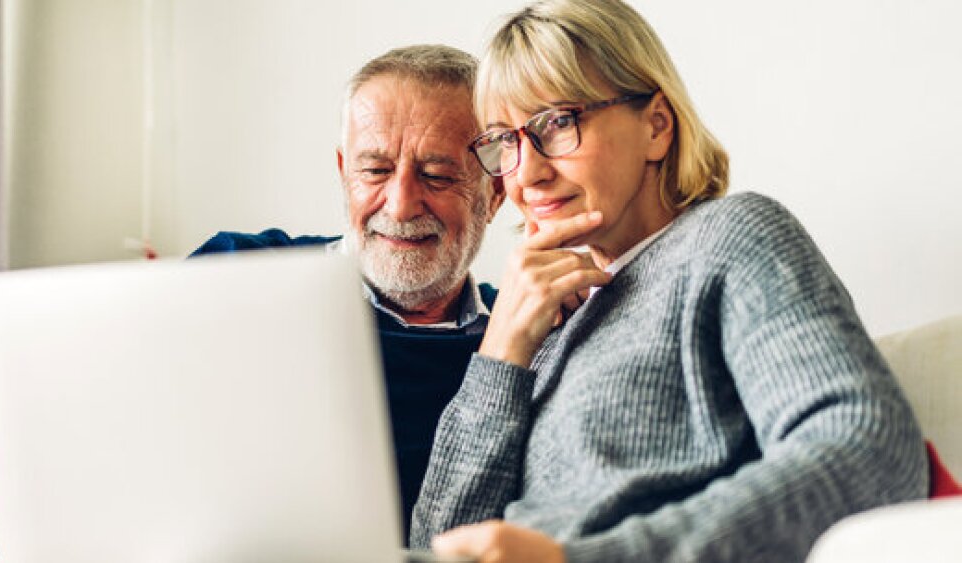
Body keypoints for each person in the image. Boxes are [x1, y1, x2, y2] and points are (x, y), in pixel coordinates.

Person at [409, 1, 928, 561]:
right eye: (504, 142)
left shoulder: (730, 237)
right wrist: (502, 352)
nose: (527, 172)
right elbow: (437, 543)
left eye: (558, 123)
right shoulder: (545, 316)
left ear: (656, 126)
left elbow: (868, 449)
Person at [191, 44, 504, 539]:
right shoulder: (237, 271)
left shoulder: (522, 333)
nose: (400, 205)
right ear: (343, 171)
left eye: (438, 175)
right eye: (376, 170)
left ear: (496, 193)